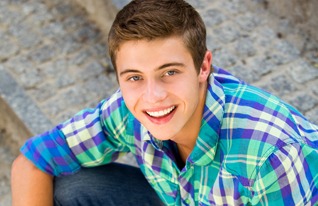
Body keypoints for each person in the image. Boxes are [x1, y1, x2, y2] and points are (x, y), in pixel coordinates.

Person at [11, 0, 318, 205]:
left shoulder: (270, 156)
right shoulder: (129, 109)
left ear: (203, 66)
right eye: (134, 77)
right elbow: (34, 160)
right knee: (73, 189)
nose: (153, 96)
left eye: (169, 72)